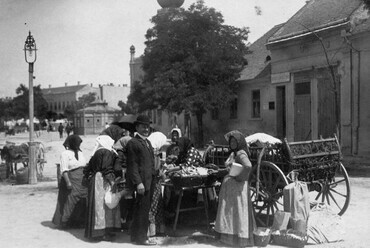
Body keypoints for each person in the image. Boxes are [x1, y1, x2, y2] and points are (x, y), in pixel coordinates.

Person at [214, 130, 256, 247]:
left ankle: (236, 238)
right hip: (232, 189)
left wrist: (240, 177)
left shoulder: (240, 154)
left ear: (239, 142)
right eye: (231, 141)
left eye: (234, 141)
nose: (232, 143)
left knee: (237, 212)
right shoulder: (234, 153)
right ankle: (230, 237)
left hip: (237, 188)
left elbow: (248, 166)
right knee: (232, 213)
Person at [84, 132, 123, 241]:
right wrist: (112, 182)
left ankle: (98, 232)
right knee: (102, 206)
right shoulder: (105, 152)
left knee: (99, 206)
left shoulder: (97, 152)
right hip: (102, 180)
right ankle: (102, 233)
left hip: (96, 179)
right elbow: (106, 168)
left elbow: (87, 169)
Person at [126, 115, 157, 246]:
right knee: (142, 211)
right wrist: (138, 182)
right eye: (143, 126)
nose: (146, 129)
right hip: (142, 183)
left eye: (147, 126)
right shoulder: (133, 143)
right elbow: (132, 166)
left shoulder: (147, 142)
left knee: (142, 209)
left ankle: (135, 236)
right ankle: (141, 238)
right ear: (137, 127)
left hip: (149, 182)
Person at [52, 135, 87, 228]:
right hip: (72, 179)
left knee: (82, 199)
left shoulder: (80, 153)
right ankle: (65, 221)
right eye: (77, 143)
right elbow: (64, 170)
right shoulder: (65, 154)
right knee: (71, 200)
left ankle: (78, 221)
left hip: (81, 180)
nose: (79, 144)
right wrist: (68, 182)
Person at [147, 131, 169, 237]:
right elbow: (155, 170)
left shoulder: (151, 149)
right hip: (154, 183)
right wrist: (162, 171)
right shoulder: (154, 152)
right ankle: (153, 231)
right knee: (154, 205)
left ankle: (155, 230)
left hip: (154, 182)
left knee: (155, 205)